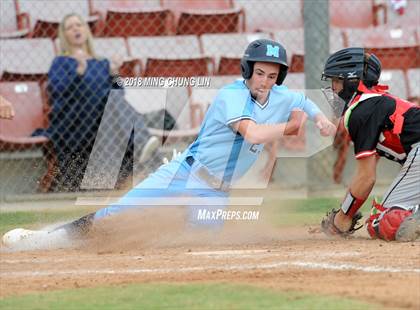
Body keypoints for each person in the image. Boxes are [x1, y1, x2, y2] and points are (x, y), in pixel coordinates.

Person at [3, 39, 336, 244]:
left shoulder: (279, 95)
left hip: (215, 190)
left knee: (198, 244)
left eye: (273, 75)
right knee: (119, 212)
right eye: (260, 72)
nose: (265, 80)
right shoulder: (231, 95)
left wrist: (321, 120)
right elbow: (252, 133)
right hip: (184, 171)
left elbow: (302, 102)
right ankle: (51, 238)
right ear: (247, 70)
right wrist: (289, 128)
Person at [33, 13, 158, 191]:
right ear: (64, 35)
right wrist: (78, 74)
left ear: (86, 30)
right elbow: (57, 94)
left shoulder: (102, 62)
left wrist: (114, 74)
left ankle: (142, 154)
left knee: (113, 98)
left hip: (102, 120)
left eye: (79, 25)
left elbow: (119, 95)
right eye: (70, 27)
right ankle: (142, 144)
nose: (76, 29)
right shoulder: (61, 62)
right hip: (75, 121)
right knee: (113, 104)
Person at [320, 47, 420, 241]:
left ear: (352, 81)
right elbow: (367, 172)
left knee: (384, 222)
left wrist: (341, 220)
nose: (333, 88)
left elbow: (366, 178)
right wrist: (345, 211)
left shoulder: (360, 111)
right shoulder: (376, 103)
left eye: (337, 81)